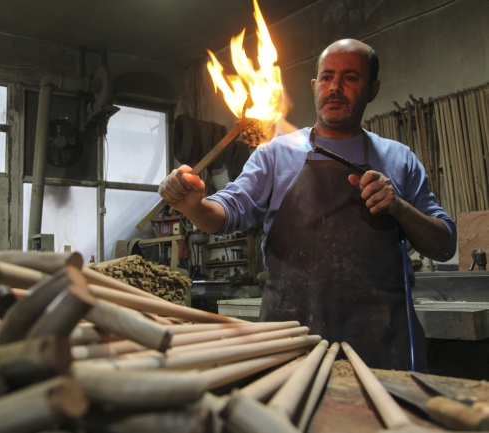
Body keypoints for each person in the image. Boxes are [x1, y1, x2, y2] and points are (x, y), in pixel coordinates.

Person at [158, 39, 456, 371]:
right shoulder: (275, 154)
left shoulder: (399, 159)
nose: (336, 87)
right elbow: (226, 213)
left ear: (373, 89)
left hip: (381, 343)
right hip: (292, 337)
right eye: (327, 77)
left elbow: (444, 245)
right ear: (315, 86)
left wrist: (398, 206)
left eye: (351, 78)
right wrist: (194, 207)